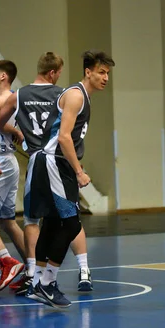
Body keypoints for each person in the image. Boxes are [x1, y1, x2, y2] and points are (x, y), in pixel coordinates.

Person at [0, 52, 93, 297]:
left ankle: (33, 274)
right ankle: (83, 270)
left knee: (33, 220)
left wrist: (18, 133)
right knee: (69, 217)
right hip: (59, 160)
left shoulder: (20, 95)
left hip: (36, 161)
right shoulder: (64, 95)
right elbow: (68, 131)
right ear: (54, 73)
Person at [26, 50, 115, 308]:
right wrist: (78, 171)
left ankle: (37, 283)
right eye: (101, 72)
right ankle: (47, 283)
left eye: (108, 73)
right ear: (88, 72)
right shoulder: (76, 95)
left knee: (53, 223)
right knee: (72, 225)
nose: (105, 78)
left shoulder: (81, 96)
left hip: (52, 161)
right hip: (55, 162)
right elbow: (64, 137)